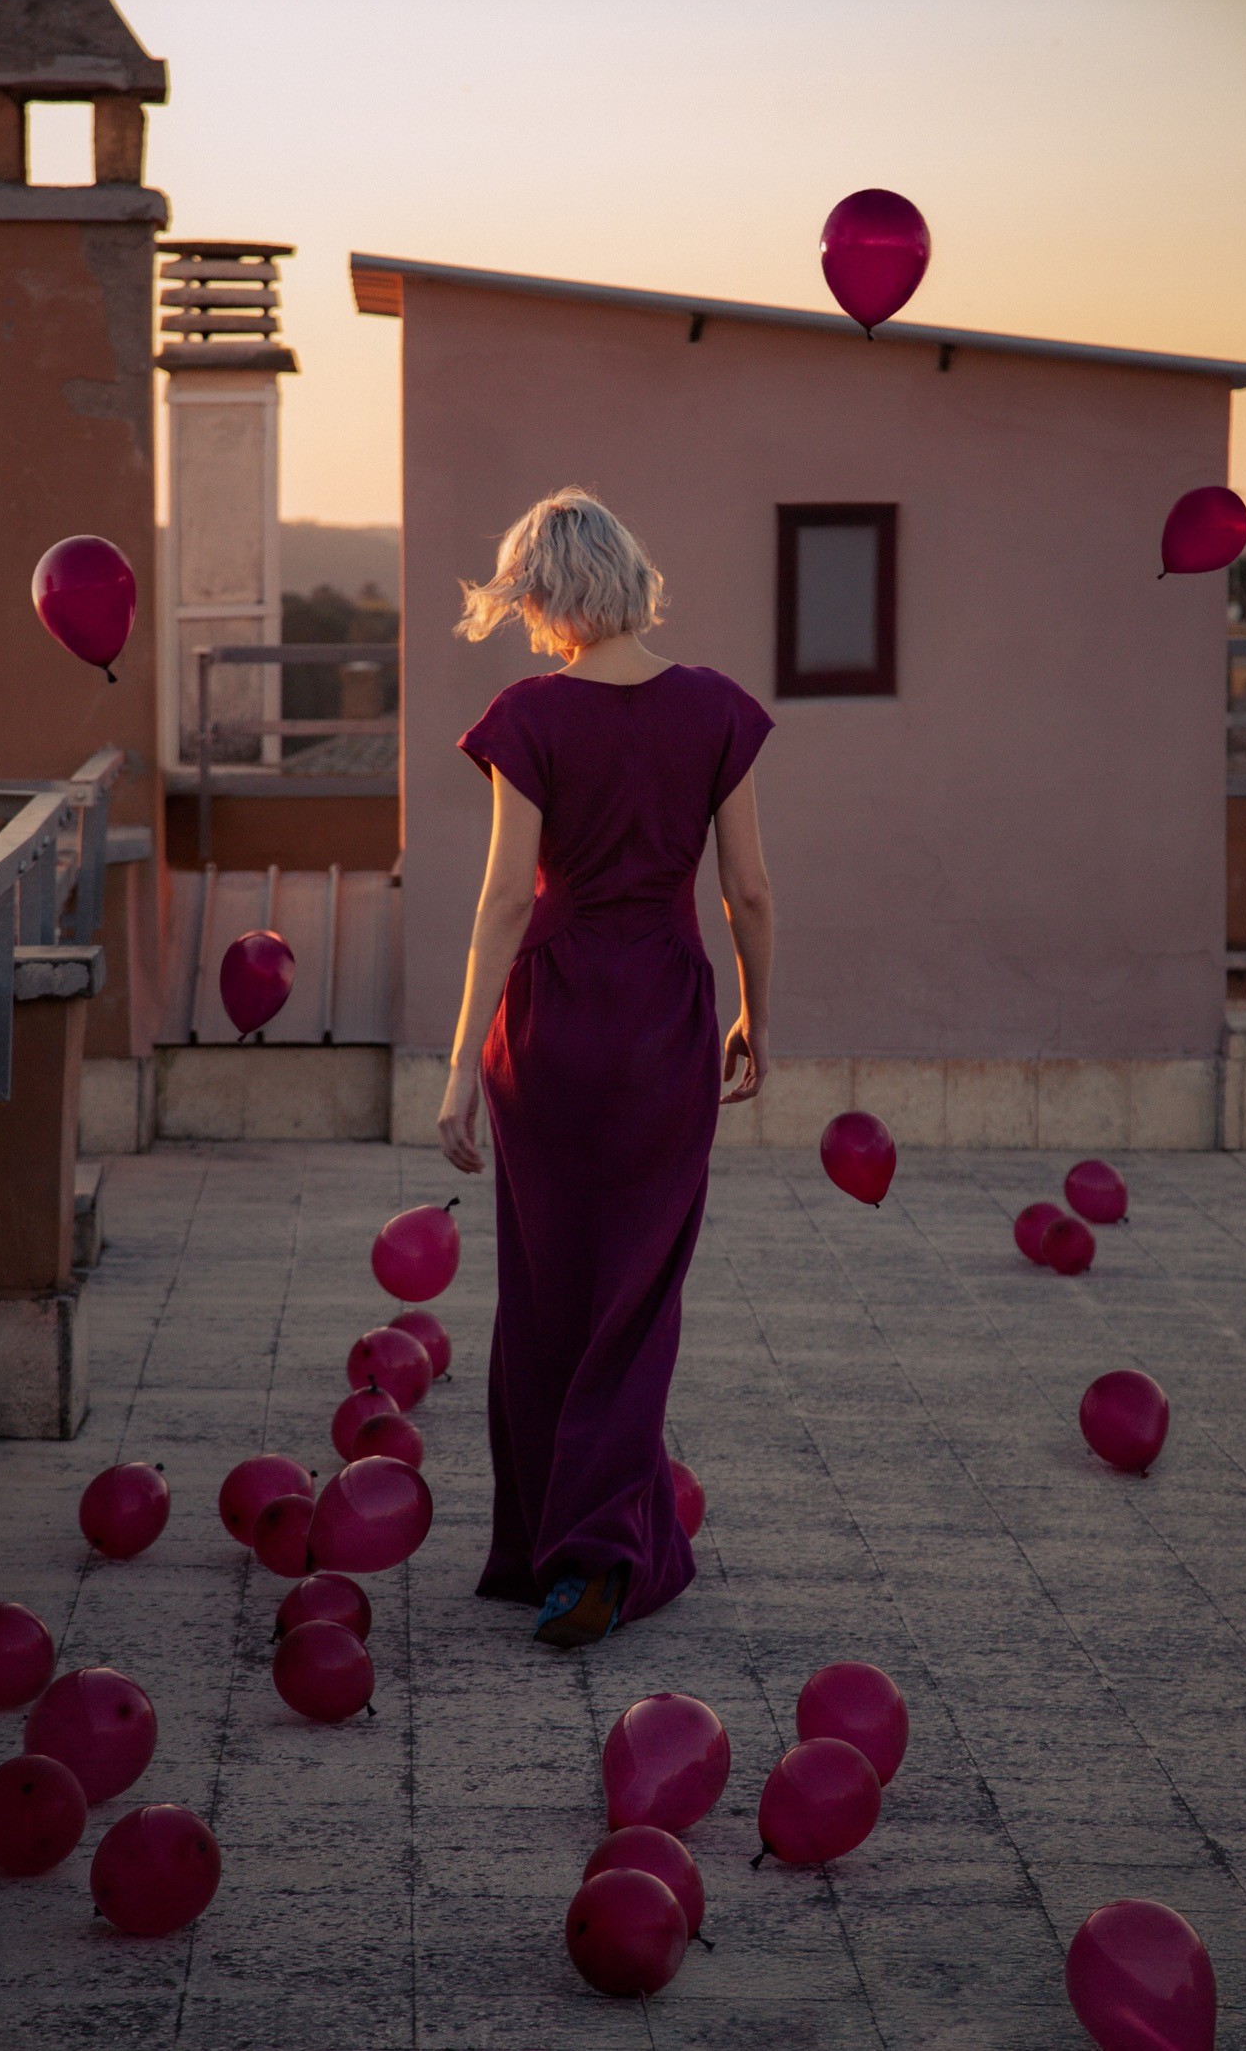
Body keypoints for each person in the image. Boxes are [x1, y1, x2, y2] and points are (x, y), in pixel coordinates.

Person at [438, 488, 775, 1648]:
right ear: (631, 577)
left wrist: (451, 1075)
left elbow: (499, 902)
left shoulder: (528, 717)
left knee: (545, 1292)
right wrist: (755, 1017)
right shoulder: (718, 711)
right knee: (636, 1295)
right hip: (666, 1020)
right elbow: (751, 893)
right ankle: (592, 1558)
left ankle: (549, 1548)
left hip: (548, 1026)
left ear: (541, 592)